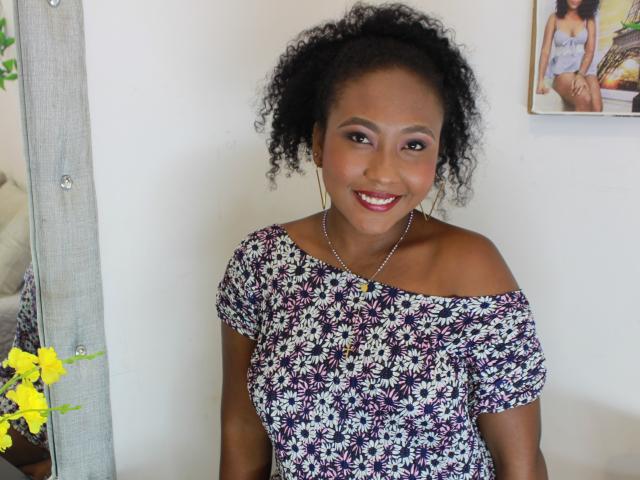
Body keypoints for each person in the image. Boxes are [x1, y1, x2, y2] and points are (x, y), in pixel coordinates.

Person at [217, 3, 548, 479]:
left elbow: (520, 462)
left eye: (414, 145)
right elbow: (241, 429)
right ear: (318, 142)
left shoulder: (473, 269)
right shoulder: (263, 263)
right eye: (359, 137)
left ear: (439, 153)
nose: (384, 172)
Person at [0, 263, 51, 480]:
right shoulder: (41, 258)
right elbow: (24, 348)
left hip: (48, 412)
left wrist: (54, 464)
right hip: (21, 386)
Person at [536, 0, 602, 112]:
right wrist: (540, 81)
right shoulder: (554, 18)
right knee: (584, 98)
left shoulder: (589, 19)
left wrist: (580, 75)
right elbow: (545, 51)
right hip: (563, 70)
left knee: (597, 107)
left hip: (585, 68)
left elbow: (590, 51)